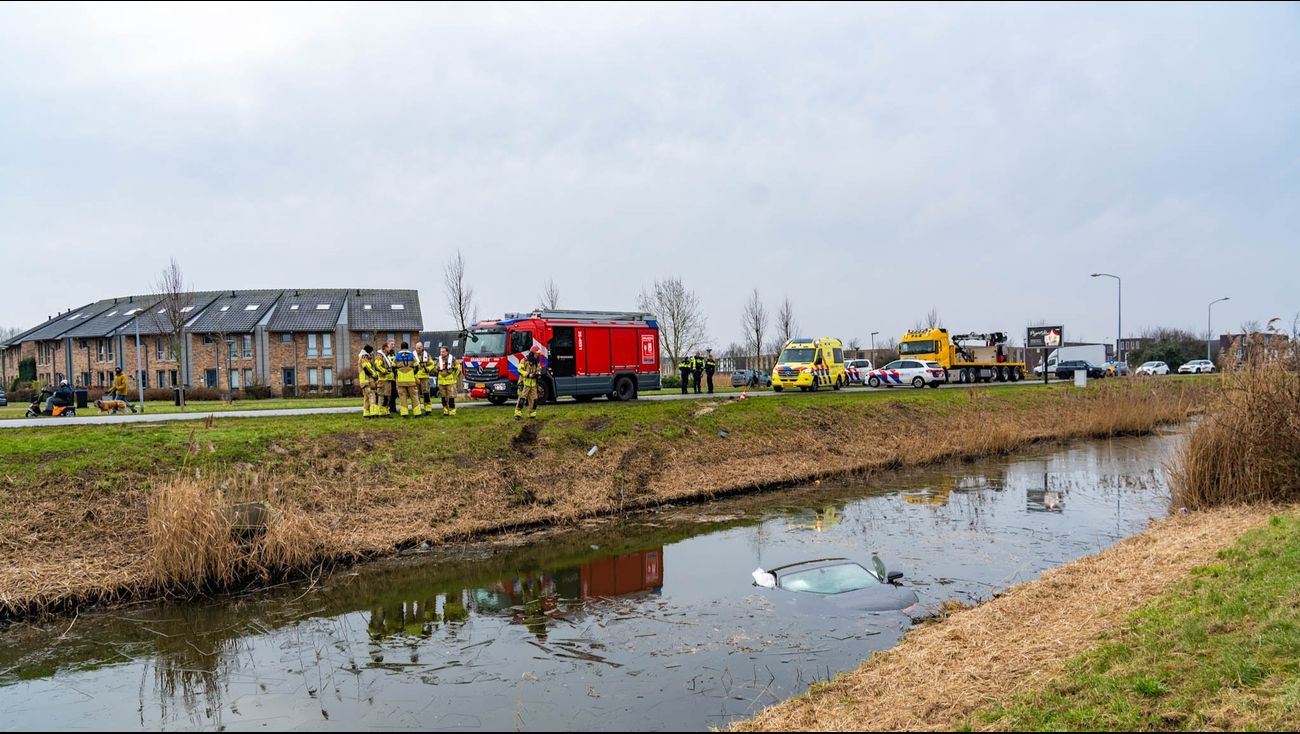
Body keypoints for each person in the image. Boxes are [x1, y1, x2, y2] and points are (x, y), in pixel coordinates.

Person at [515, 347, 543, 420]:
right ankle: (518, 414)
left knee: (534, 400)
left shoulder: (537, 361)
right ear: (533, 353)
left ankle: (532, 415)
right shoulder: (524, 360)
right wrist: (528, 375)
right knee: (522, 399)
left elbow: (539, 369)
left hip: (533, 384)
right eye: (537, 353)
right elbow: (519, 369)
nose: (538, 355)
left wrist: (538, 374)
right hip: (524, 384)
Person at [393, 342, 420, 417]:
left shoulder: (397, 356)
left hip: (401, 380)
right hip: (411, 380)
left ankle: (404, 413)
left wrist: (397, 374)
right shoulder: (411, 355)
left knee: (402, 397)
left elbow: (393, 366)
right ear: (407, 347)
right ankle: (417, 413)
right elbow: (417, 366)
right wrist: (413, 373)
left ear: (401, 347)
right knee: (414, 396)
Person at [436, 345, 462, 416]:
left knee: (451, 397)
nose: (441, 353)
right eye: (441, 352)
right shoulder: (439, 360)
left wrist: (454, 376)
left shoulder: (452, 360)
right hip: (441, 382)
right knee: (443, 397)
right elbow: (436, 369)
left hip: (450, 382)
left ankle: (452, 411)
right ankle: (445, 411)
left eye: (443, 352)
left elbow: (458, 368)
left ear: (447, 352)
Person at [359, 345, 383, 418]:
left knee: (366, 398)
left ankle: (366, 413)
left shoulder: (362, 357)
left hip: (363, 381)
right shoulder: (364, 357)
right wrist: (374, 374)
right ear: (368, 351)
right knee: (372, 396)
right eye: (371, 352)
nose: (372, 353)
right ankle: (374, 413)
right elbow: (367, 368)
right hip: (367, 381)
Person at [413, 341, 433, 415]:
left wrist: (427, 369)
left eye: (419, 348)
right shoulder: (412, 355)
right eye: (417, 348)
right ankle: (418, 410)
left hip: (425, 377)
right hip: (416, 378)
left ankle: (428, 410)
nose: (418, 349)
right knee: (416, 395)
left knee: (426, 394)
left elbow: (432, 364)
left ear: (422, 347)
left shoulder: (427, 355)